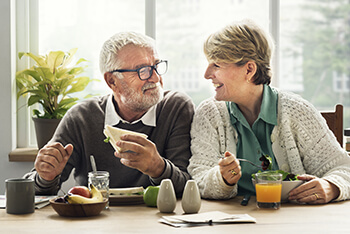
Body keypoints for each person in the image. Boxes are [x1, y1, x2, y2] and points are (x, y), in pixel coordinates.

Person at [188, 20, 350, 204]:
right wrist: (223, 178)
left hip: (294, 221)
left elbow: (344, 169)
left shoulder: (298, 111)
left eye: (216, 65)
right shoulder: (209, 114)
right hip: (231, 223)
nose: (207, 74)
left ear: (249, 69)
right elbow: (198, 178)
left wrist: (332, 186)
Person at [24, 32, 195, 197]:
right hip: (95, 219)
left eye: (156, 66)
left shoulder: (176, 108)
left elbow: (188, 188)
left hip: (157, 220)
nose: (156, 78)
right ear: (112, 81)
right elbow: (33, 192)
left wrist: (158, 167)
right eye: (143, 70)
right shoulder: (81, 117)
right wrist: (45, 177)